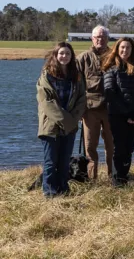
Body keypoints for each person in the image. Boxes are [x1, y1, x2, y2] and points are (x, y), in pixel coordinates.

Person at [36, 42, 86, 197]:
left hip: (69, 127)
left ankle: (63, 189)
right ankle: (49, 192)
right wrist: (68, 121)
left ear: (72, 56)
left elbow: (82, 99)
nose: (64, 56)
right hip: (50, 126)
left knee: (64, 162)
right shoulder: (46, 76)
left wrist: (73, 120)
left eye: (68, 54)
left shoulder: (76, 76)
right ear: (56, 56)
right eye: (61, 53)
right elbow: (46, 102)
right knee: (51, 162)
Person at [102, 38, 134, 186]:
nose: (125, 51)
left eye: (128, 48)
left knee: (129, 148)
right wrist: (126, 114)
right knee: (119, 148)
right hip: (117, 116)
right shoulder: (110, 69)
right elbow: (110, 94)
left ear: (132, 50)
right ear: (117, 49)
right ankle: (117, 181)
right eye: (122, 48)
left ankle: (124, 177)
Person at [75, 25, 113, 181]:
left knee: (112, 146)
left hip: (111, 109)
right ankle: (92, 179)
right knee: (90, 147)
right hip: (90, 109)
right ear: (92, 38)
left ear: (107, 39)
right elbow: (76, 86)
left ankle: (114, 177)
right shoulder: (83, 58)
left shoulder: (114, 56)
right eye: (97, 37)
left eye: (103, 37)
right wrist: (78, 110)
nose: (100, 39)